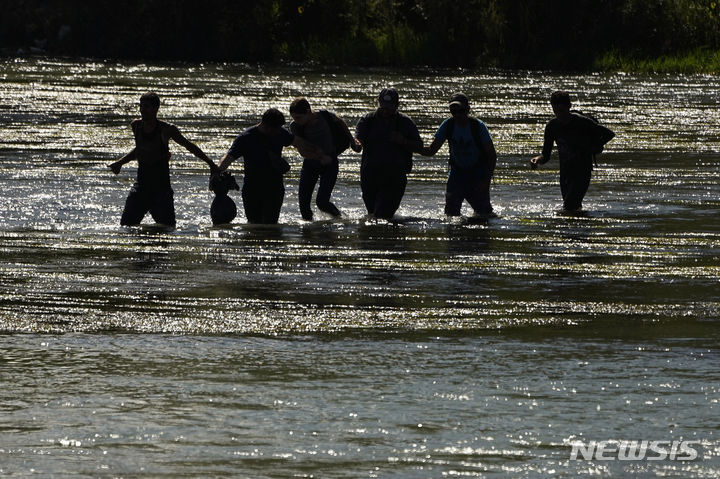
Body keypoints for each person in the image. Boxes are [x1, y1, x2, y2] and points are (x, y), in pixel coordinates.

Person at [108, 92, 218, 227]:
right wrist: (120, 163)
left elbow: (188, 145)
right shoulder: (136, 126)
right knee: (126, 226)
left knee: (167, 230)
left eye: (147, 107)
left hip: (161, 190)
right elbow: (139, 150)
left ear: (156, 109)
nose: (143, 110)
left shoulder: (166, 129)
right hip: (141, 188)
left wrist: (210, 163)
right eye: (141, 106)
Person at [215, 108, 331, 224]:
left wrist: (320, 154)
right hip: (252, 190)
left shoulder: (280, 133)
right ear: (266, 126)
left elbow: (299, 142)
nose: (278, 132)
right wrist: (217, 170)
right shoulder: (246, 138)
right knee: (254, 225)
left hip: (274, 189)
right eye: (276, 129)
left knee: (271, 225)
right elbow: (228, 157)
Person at [530, 91, 615, 211]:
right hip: (565, 173)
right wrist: (537, 160)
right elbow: (546, 155)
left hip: (583, 171)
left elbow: (609, 134)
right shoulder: (551, 127)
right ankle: (581, 227)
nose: (559, 115)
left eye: (562, 111)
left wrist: (591, 147)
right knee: (573, 207)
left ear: (569, 106)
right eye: (555, 111)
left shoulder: (582, 122)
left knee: (569, 206)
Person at [419, 92, 497, 217]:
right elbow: (431, 150)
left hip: (478, 173)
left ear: (467, 109)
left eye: (460, 110)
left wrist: (486, 181)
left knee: (484, 214)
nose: (457, 114)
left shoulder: (478, 126)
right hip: (457, 173)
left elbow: (492, 155)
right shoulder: (448, 125)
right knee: (451, 214)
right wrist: (407, 144)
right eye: (453, 111)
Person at [354, 88, 422, 220]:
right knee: (372, 215)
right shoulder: (367, 120)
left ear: (397, 105)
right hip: (370, 176)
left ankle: (387, 239)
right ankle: (380, 240)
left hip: (395, 177)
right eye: (383, 107)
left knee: (382, 216)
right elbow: (358, 139)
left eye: (389, 108)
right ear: (378, 103)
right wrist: (356, 144)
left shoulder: (405, 122)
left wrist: (403, 141)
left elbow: (419, 146)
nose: (385, 111)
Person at [288, 97, 361, 221]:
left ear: (308, 111)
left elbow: (341, 122)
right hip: (310, 164)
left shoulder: (324, 116)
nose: (296, 120)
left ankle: (341, 220)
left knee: (322, 202)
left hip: (330, 163)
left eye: (299, 117)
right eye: (294, 117)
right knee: (304, 206)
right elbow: (302, 151)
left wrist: (352, 141)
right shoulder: (295, 127)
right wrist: (319, 157)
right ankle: (308, 235)